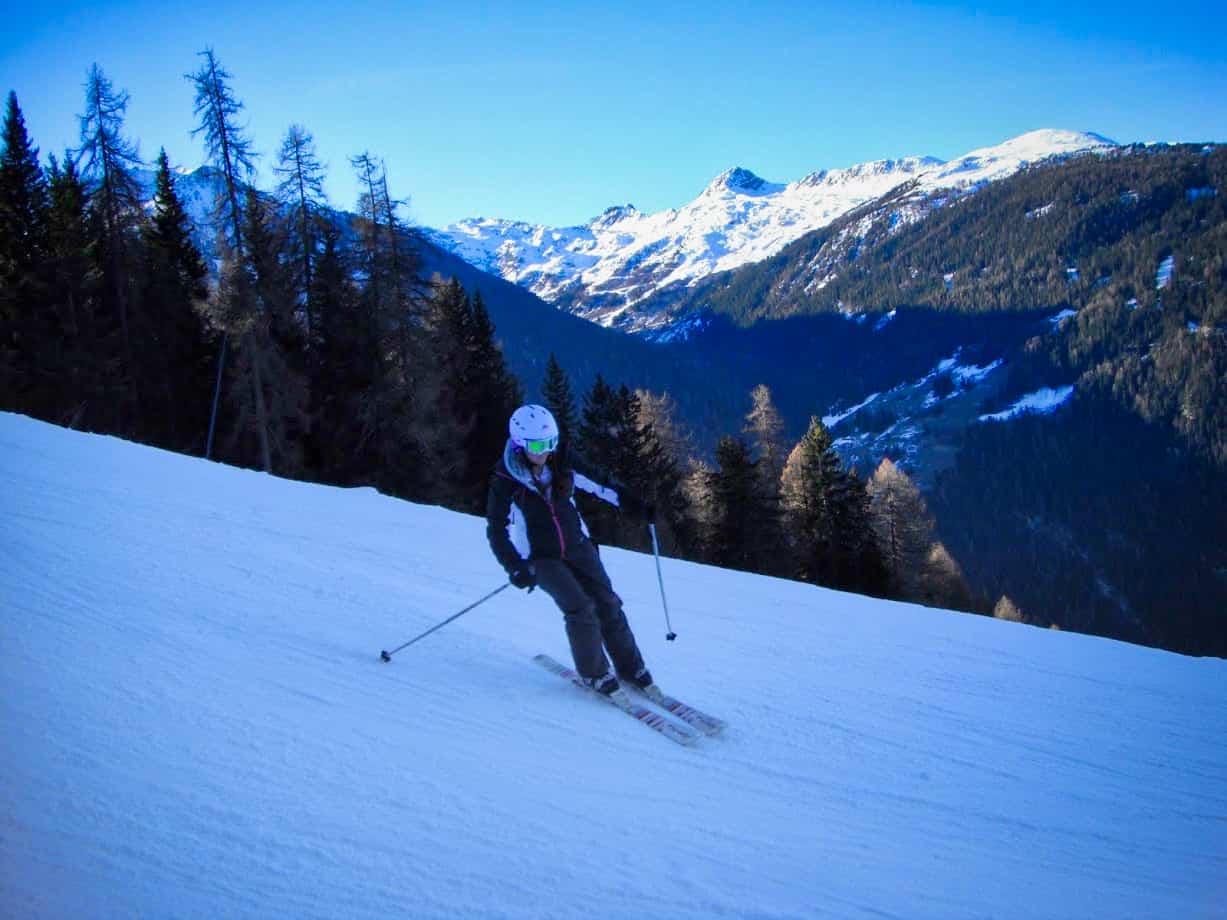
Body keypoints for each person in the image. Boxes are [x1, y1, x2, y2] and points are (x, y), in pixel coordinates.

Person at [486, 404, 657, 696]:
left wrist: (632, 503)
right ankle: (595, 674)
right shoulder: (505, 480)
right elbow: (496, 529)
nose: (546, 451)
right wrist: (515, 565)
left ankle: (631, 668)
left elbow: (599, 482)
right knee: (580, 608)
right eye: (539, 445)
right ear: (519, 444)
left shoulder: (561, 460)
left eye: (551, 442)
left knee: (608, 603)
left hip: (578, 545)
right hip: (541, 559)